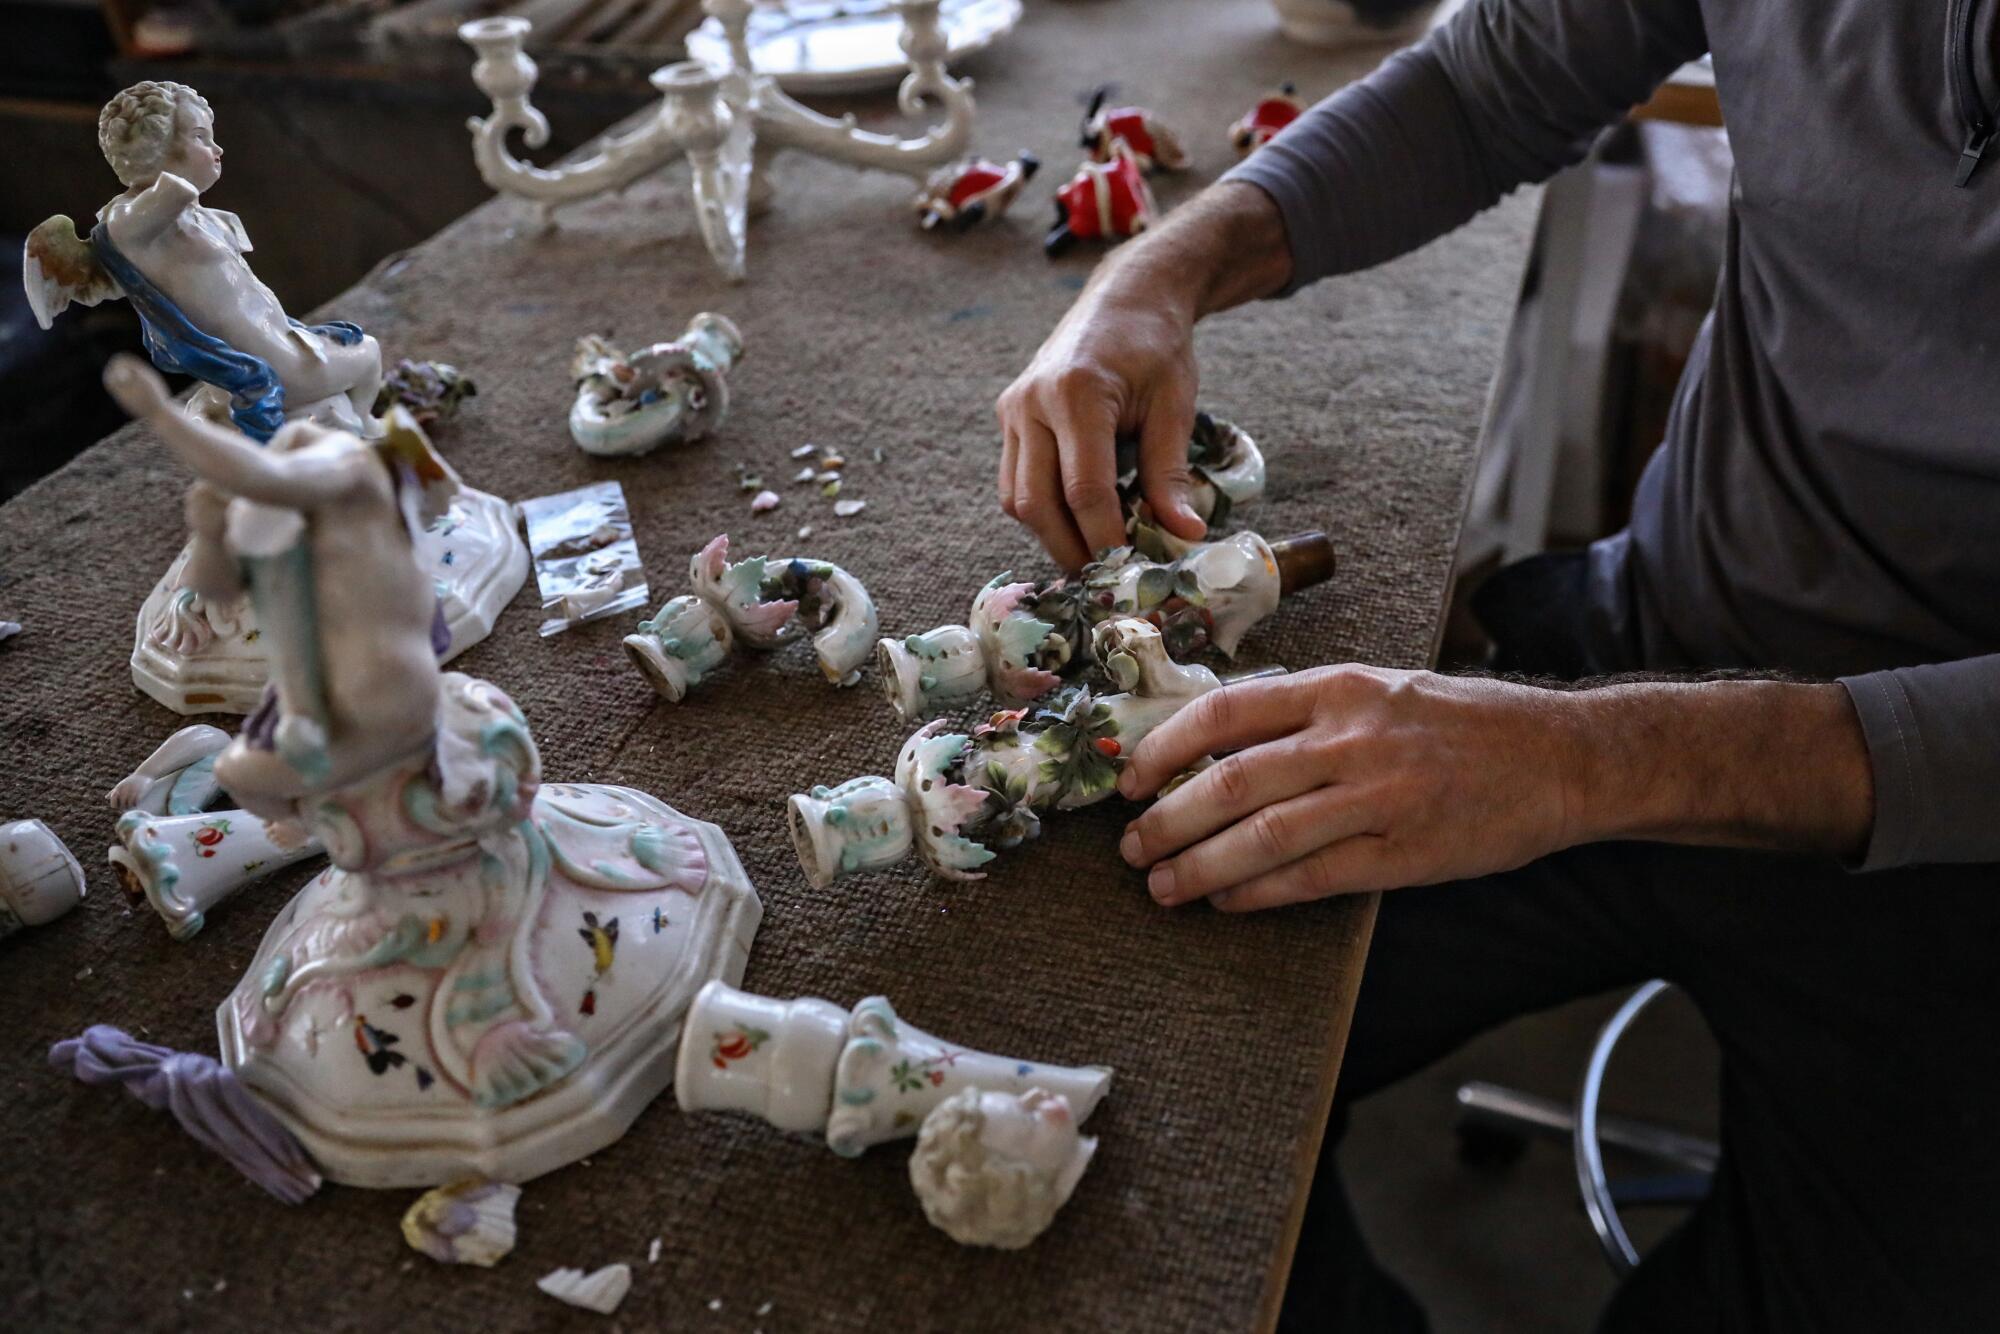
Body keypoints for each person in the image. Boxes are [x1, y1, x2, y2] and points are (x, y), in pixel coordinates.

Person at [995, 0, 2000, 1328]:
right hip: (1653, 651)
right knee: (1098, 1083)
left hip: (1954, 859)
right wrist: (1149, 281)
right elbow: (1483, 88)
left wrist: (1575, 763)